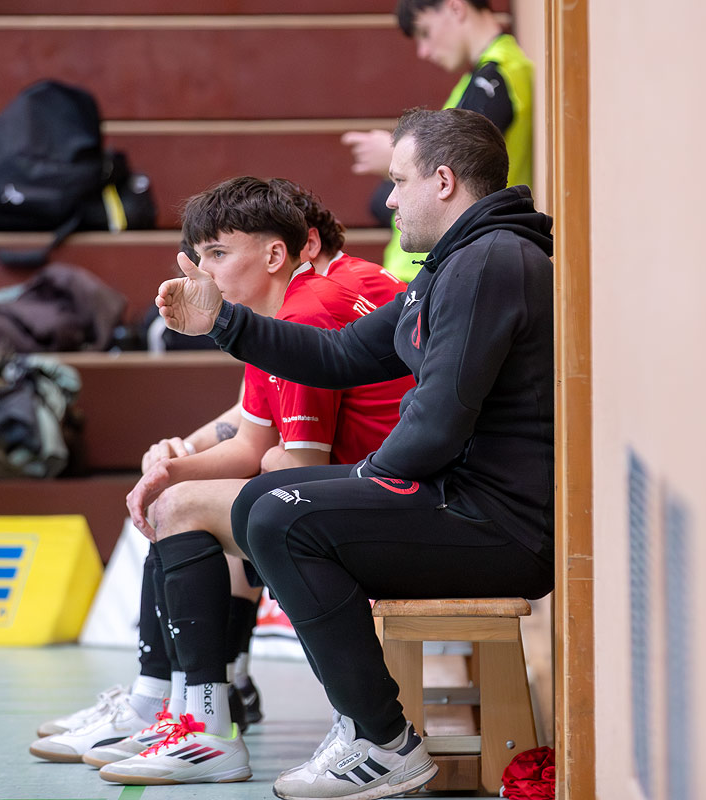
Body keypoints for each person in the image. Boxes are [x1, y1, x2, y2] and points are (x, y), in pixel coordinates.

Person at [155, 108, 555, 800]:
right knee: (266, 502)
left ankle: (382, 741)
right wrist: (223, 320)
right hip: (467, 502)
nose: (389, 199)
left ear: (443, 181)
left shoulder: (491, 261)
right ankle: (363, 727)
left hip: (502, 527)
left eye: (398, 181)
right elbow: (340, 356)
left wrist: (368, 481)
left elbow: (439, 419)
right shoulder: (460, 261)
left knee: (282, 516)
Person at [29, 178, 413, 786]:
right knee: (181, 501)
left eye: (217, 254)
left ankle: (197, 721)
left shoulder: (308, 309)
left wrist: (193, 480)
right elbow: (254, 441)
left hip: (397, 508)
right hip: (383, 493)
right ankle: (189, 706)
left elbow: (296, 465)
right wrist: (171, 467)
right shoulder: (290, 308)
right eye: (198, 255)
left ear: (280, 252)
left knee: (189, 510)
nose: (203, 272)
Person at [342, 0, 533, 282]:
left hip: (438, 268)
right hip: (431, 267)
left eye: (426, 32)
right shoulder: (482, 78)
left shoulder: (497, 75)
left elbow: (462, 163)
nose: (424, 51)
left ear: (455, 7)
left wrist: (393, 156)